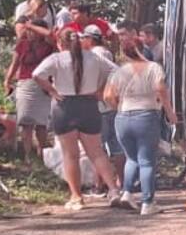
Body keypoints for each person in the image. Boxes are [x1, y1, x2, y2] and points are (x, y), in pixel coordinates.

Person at [32, 29, 121, 210]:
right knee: (96, 152)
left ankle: (76, 196)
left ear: (59, 43)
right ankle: (113, 190)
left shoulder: (56, 59)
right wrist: (100, 89)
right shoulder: (93, 57)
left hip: (64, 105)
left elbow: (36, 74)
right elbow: (116, 70)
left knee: (70, 155)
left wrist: (52, 91)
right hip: (88, 104)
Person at [104, 36, 178, 215]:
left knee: (132, 158)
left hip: (122, 117)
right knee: (146, 161)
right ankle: (148, 202)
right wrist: (170, 113)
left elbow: (107, 95)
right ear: (141, 48)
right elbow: (161, 90)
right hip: (146, 115)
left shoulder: (119, 71)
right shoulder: (154, 68)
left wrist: (118, 107)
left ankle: (127, 193)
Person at [3, 16, 56, 162]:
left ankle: (43, 154)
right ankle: (27, 155)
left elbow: (51, 34)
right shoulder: (22, 44)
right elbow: (15, 63)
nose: (30, 32)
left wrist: (32, 26)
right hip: (25, 84)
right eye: (28, 30)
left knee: (41, 124)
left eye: (33, 30)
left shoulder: (48, 45)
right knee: (26, 122)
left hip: (43, 86)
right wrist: (7, 79)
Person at [83, 24, 125, 184]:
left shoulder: (95, 54)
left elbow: (113, 71)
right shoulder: (106, 52)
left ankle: (99, 184)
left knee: (97, 148)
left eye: (83, 38)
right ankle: (121, 181)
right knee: (116, 147)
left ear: (90, 39)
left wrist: (99, 91)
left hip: (100, 107)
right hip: (111, 106)